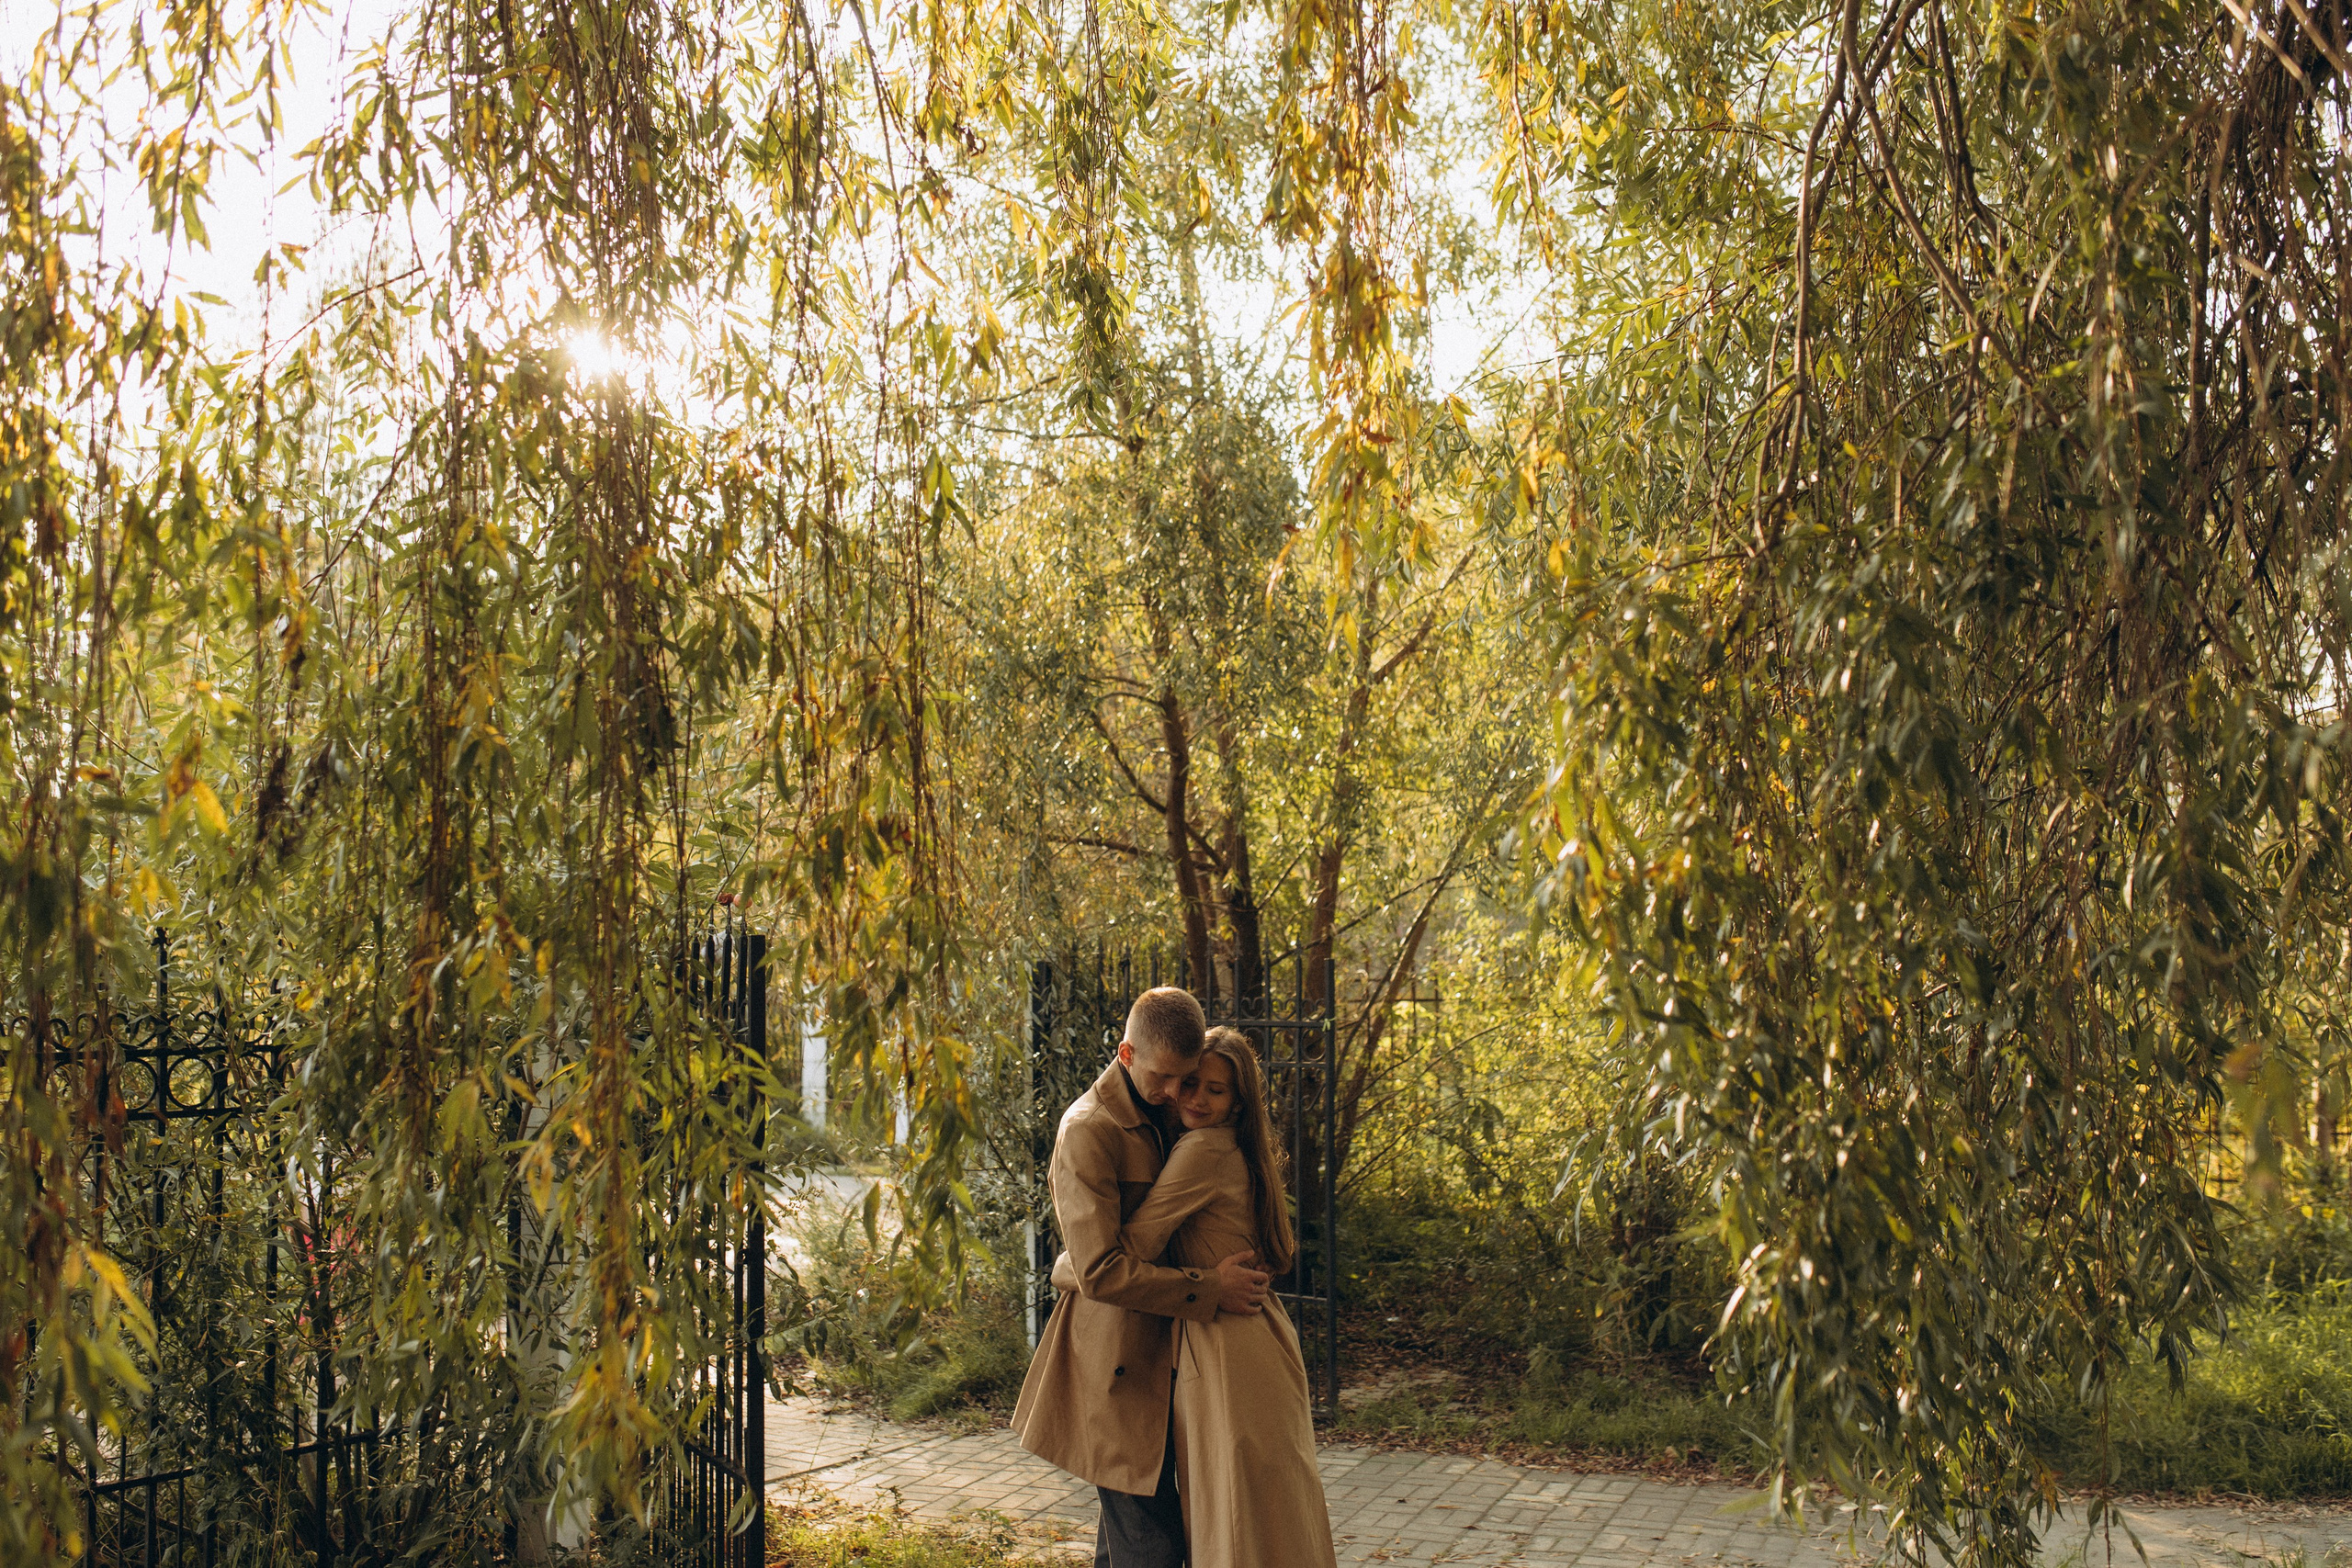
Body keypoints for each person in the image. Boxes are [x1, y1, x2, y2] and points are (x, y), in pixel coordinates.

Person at [1012, 988, 1274, 1568]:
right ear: (1126, 1054)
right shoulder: (1089, 1130)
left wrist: (1069, 1266)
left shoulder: (1167, 1111)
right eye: (1165, 1079)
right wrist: (1210, 1288)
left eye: (1187, 1079)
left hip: (1169, 1362)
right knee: (1151, 1547)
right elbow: (1101, 1271)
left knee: (1135, 1542)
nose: (1176, 1094)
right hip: (1116, 1366)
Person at [1115, 1026, 1340, 1568]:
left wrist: (1067, 1268)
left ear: (1238, 1100)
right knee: (1273, 1515)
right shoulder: (1238, 1146)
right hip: (1258, 1338)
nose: (1196, 1098)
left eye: (1215, 1090)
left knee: (1233, 1516)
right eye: (1190, 1083)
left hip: (1225, 1348)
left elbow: (1135, 1246)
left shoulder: (1202, 1151)